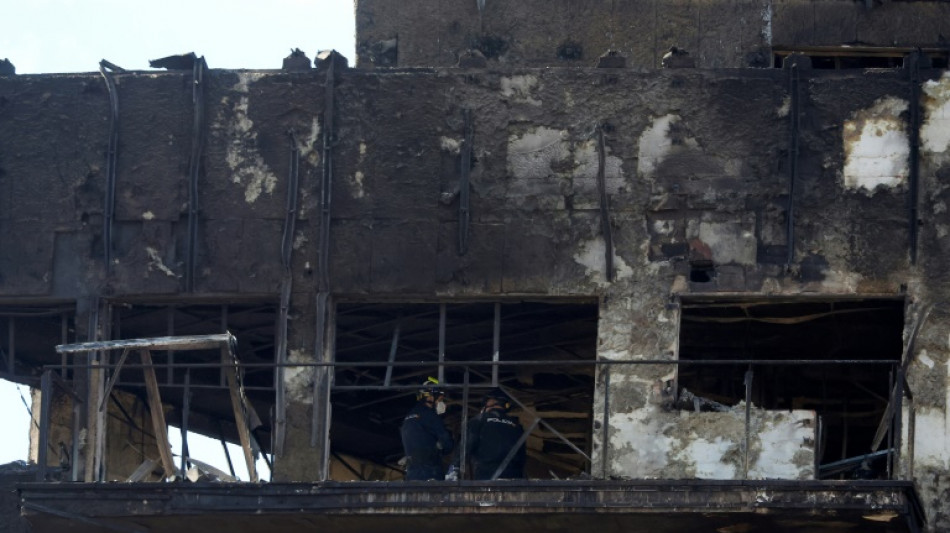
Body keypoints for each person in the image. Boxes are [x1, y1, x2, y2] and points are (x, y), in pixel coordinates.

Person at [400, 378, 454, 480]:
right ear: (430, 398)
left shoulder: (409, 416)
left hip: (412, 471)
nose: (441, 403)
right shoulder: (431, 416)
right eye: (440, 399)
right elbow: (448, 444)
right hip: (430, 471)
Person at [464, 389, 526, 480]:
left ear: (491, 402)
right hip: (514, 475)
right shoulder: (517, 425)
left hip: (486, 475)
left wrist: (454, 467)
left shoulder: (479, 420)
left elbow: (467, 446)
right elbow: (522, 456)